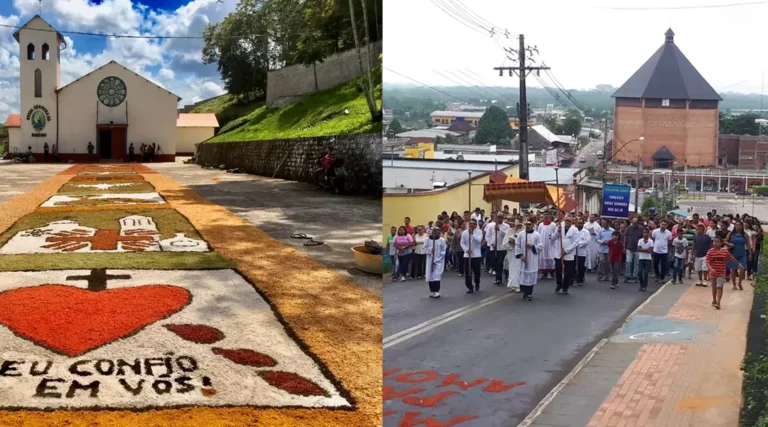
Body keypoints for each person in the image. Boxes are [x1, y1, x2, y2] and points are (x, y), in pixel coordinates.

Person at [706, 236, 744, 310]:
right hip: (713, 273)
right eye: (714, 241)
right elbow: (708, 262)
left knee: (719, 286)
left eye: (717, 242)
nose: (715, 243)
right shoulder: (710, 251)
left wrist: (739, 264)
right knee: (714, 287)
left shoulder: (725, 252)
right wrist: (711, 269)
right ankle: (714, 299)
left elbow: (731, 258)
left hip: (721, 273)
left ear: (721, 243)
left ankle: (718, 303)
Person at [515, 220, 543, 301]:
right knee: (523, 276)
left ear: (533, 225)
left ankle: (529, 293)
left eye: (529, 224)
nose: (527, 226)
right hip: (523, 259)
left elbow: (540, 246)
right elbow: (517, 245)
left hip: (532, 259)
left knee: (530, 277)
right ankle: (525, 292)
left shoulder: (537, 235)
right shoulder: (521, 234)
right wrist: (521, 255)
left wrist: (532, 246)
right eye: (526, 224)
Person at [551, 216, 579, 295]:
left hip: (569, 254)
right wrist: (557, 232)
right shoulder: (560, 227)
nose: (567, 222)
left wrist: (566, 251)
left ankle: (565, 287)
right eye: (566, 220)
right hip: (559, 253)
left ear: (572, 222)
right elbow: (553, 238)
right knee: (558, 270)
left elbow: (575, 243)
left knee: (567, 272)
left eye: (569, 221)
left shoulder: (575, 230)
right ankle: (559, 284)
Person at [725, 221, 749, 291]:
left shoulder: (745, 235)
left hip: (742, 254)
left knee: (742, 269)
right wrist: (729, 244)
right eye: (736, 225)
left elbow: (748, 244)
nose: (738, 226)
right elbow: (725, 241)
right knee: (733, 269)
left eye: (739, 225)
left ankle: (740, 283)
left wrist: (750, 253)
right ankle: (734, 284)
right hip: (733, 254)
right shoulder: (731, 234)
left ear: (742, 226)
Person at [461, 218, 483, 293]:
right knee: (468, 272)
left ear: (476, 225)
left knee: (477, 271)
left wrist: (472, 234)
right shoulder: (465, 233)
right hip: (467, 255)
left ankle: (477, 283)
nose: (472, 225)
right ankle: (469, 286)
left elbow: (479, 240)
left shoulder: (479, 232)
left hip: (476, 255)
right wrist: (466, 249)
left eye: (473, 224)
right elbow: (462, 242)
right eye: (471, 224)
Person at [487, 212, 510, 285]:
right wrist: (491, 243)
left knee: (500, 263)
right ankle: (497, 276)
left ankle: (498, 278)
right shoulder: (491, 226)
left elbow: (507, 235)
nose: (499, 218)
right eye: (498, 217)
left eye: (501, 217)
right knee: (494, 263)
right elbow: (488, 236)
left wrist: (499, 230)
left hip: (501, 248)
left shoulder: (506, 226)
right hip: (493, 247)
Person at [424, 226, 447, 298]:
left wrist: (438, 259)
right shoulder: (427, 240)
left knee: (437, 275)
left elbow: (443, 251)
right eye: (434, 231)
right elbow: (425, 249)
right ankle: (432, 291)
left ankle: (436, 291)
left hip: (439, 260)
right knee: (430, 275)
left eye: (437, 230)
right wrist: (431, 249)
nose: (436, 232)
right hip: (430, 259)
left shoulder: (442, 240)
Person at [537, 213, 558, 279]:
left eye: (547, 215)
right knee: (543, 257)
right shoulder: (540, 225)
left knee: (551, 256)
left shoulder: (553, 225)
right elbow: (538, 234)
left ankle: (552, 272)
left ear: (549, 216)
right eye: (544, 216)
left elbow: (556, 234)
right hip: (543, 243)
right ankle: (545, 273)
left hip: (551, 243)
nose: (546, 217)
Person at [503, 221, 523, 292]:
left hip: (520, 252)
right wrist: (510, 242)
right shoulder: (509, 231)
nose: (517, 227)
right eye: (516, 225)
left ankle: (518, 285)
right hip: (512, 253)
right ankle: (513, 284)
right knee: (512, 268)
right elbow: (504, 243)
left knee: (519, 268)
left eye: (519, 225)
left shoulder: (523, 231)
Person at [624, 217, 644, 283]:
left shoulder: (641, 228)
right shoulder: (629, 228)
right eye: (633, 223)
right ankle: (628, 276)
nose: (634, 224)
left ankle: (635, 276)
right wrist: (624, 246)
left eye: (635, 223)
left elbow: (642, 238)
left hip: (637, 248)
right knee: (628, 262)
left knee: (636, 263)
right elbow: (625, 236)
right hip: (629, 247)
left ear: (637, 222)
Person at [575, 218, 590, 286]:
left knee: (581, 266)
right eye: (578, 223)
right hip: (574, 251)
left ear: (583, 224)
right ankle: (574, 277)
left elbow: (587, 241)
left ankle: (580, 279)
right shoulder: (574, 230)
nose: (579, 224)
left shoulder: (586, 232)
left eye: (581, 223)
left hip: (582, 251)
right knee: (574, 266)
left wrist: (578, 244)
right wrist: (575, 244)